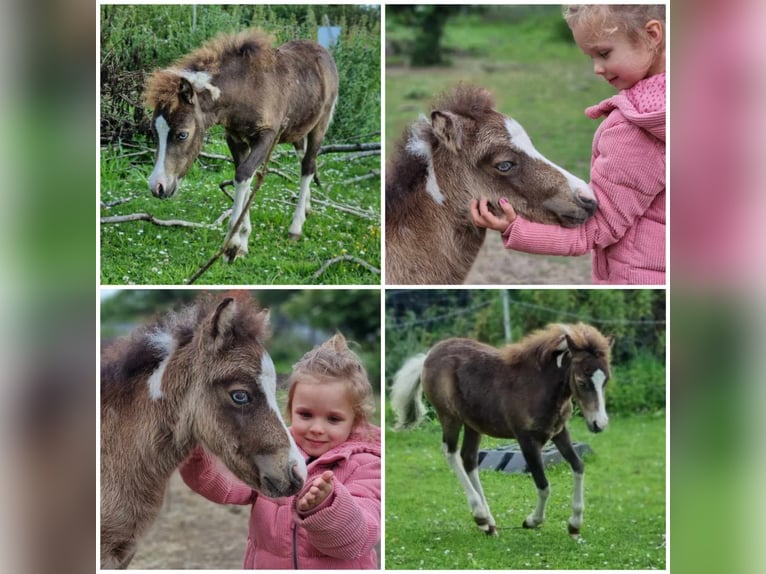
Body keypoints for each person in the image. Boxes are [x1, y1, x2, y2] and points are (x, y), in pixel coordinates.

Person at [471, 4, 666, 284]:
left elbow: (595, 229)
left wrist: (516, 228)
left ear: (652, 34)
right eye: (590, 57)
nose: (597, 69)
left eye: (603, 53)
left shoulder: (635, 131)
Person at [179, 333, 380, 569]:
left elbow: (356, 541)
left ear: (356, 421)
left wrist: (326, 506)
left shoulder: (367, 465)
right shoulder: (273, 455)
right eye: (305, 415)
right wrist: (194, 454)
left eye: (333, 419)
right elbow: (222, 486)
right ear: (289, 410)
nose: (317, 429)